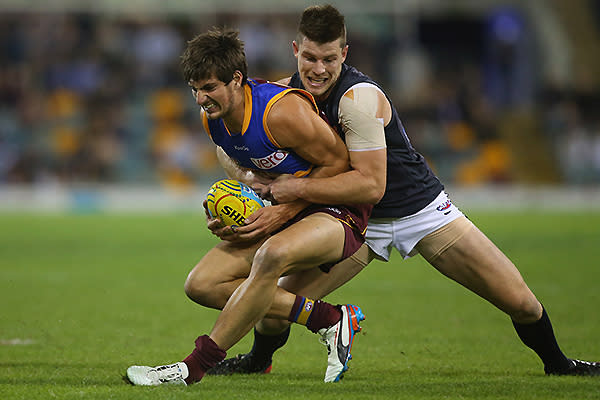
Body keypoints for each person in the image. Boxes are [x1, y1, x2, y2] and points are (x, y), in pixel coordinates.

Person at [206, 5, 600, 378]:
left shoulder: (359, 99)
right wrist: (249, 179)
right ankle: (258, 363)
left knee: (520, 301)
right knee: (275, 306)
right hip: (350, 219)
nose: (319, 69)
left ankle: (558, 365)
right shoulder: (281, 99)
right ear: (295, 51)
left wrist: (291, 190)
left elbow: (371, 184)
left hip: (419, 210)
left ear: (345, 53)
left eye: (329, 59)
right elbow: (231, 143)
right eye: (310, 58)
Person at [126, 27, 371, 386]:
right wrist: (247, 192)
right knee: (201, 284)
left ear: (236, 78)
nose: (200, 99)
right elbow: (228, 152)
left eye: (209, 88)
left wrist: (283, 211)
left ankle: (193, 368)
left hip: (339, 211)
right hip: (289, 211)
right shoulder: (212, 117)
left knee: (268, 257)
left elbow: (339, 163)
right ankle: (330, 319)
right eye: (194, 89)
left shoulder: (281, 112)